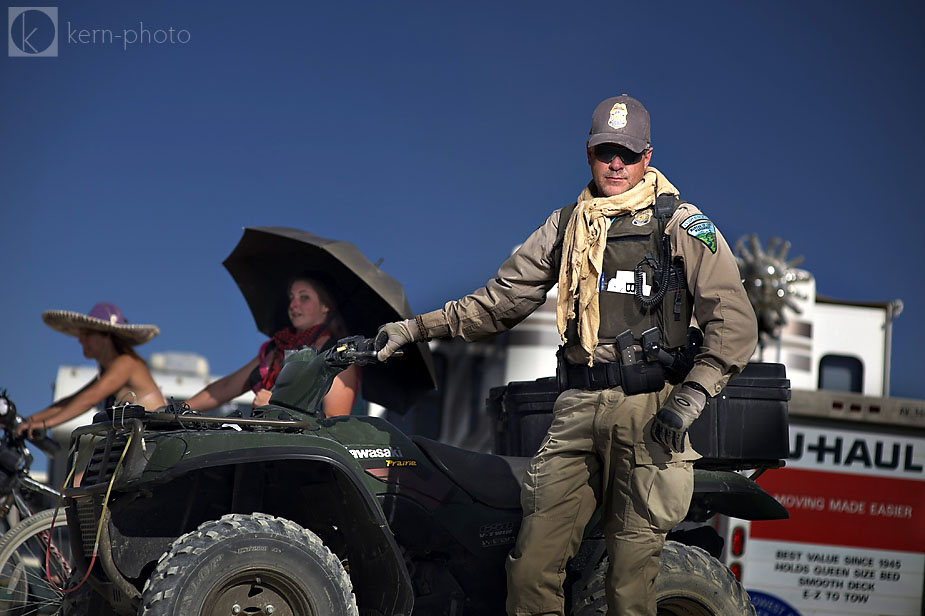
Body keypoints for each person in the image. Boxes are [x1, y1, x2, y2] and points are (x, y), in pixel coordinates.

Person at [375, 95, 758, 615]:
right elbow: (499, 302)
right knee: (531, 569)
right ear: (589, 154)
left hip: (650, 411)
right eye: (605, 152)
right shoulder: (566, 226)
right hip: (577, 404)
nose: (615, 165)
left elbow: (732, 321)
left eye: (626, 153)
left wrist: (691, 396)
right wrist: (416, 328)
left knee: (628, 584)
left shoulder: (681, 224)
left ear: (647, 156)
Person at [185, 277, 359, 417]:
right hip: (263, 448)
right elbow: (225, 387)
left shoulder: (337, 356)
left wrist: (278, 407)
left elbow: (334, 421)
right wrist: (177, 410)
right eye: (291, 298)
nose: (293, 305)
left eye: (304, 297)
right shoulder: (275, 348)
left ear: (325, 307)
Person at [19, 302, 167, 437]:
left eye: (88, 334)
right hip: (140, 444)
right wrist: (26, 421)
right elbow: (71, 402)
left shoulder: (126, 363)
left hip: (154, 444)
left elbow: (89, 399)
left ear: (107, 337)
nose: (80, 339)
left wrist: (46, 424)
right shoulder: (107, 371)